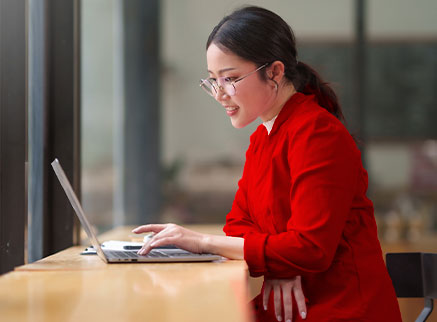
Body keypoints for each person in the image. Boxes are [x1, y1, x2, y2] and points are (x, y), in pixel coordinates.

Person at [133, 6, 402, 322]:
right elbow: (238, 223)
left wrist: (202, 242)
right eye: (212, 81)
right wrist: (280, 263)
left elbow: (310, 248)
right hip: (294, 304)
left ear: (274, 72)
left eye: (230, 79)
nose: (219, 94)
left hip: (342, 308)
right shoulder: (263, 138)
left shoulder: (317, 133)